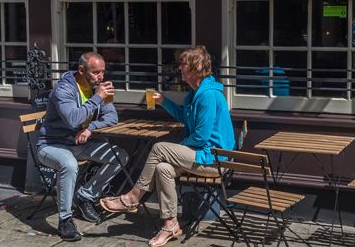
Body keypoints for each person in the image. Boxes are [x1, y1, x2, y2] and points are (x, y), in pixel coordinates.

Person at [100, 46, 235, 247]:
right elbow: (185, 117)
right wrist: (164, 102)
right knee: (163, 168)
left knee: (160, 148)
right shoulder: (194, 93)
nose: (179, 68)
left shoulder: (208, 95)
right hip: (201, 155)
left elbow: (200, 137)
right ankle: (170, 223)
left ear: (196, 67)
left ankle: (133, 197)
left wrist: (176, 149)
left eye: (183, 64)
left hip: (214, 159)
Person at [37, 52, 128, 242]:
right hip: (51, 145)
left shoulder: (98, 88)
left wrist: (90, 129)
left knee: (120, 156)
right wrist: (97, 98)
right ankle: (65, 220)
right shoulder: (64, 89)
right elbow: (72, 119)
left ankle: (85, 195)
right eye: (96, 72)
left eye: (102, 72)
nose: (101, 77)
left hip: (77, 144)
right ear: (81, 70)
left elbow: (112, 117)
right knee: (69, 164)